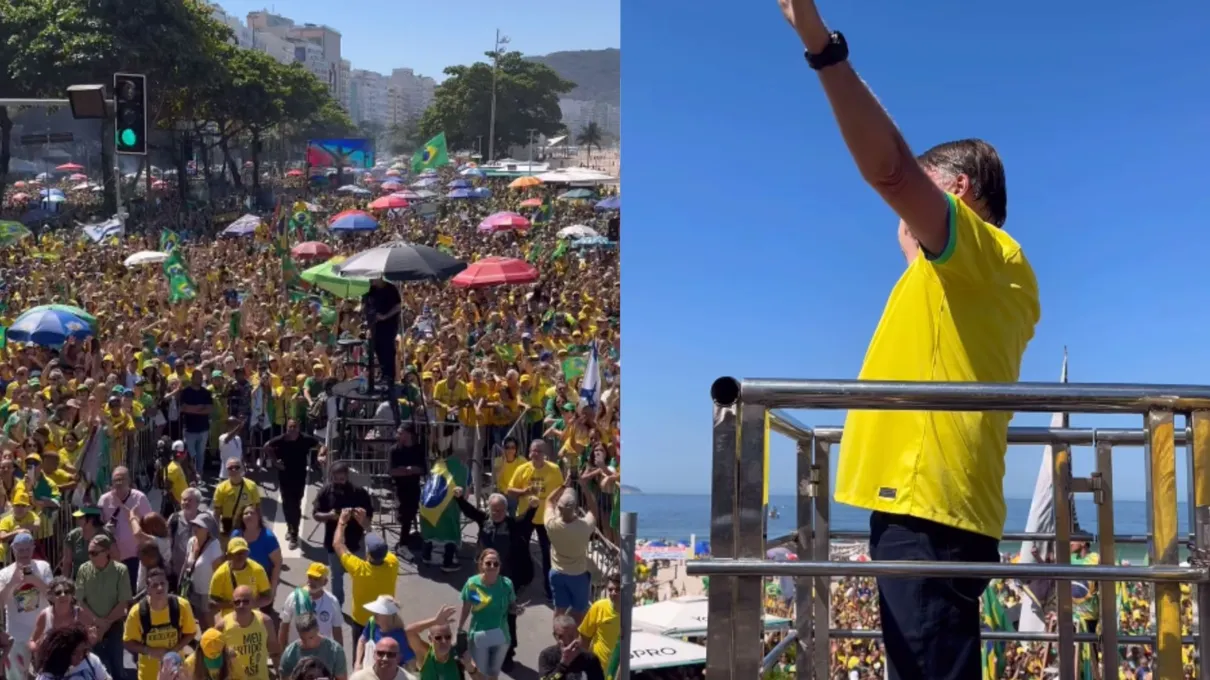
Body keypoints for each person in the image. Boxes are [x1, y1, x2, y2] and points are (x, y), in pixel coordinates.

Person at [775, 3, 1040, 679]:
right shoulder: (975, 279)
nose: (898, 220)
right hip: (943, 511)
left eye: (917, 205)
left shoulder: (985, 253)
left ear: (956, 191)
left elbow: (889, 169)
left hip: (928, 511)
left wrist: (820, 46)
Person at [452, 488, 535, 668]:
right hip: (482, 579)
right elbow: (470, 511)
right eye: (493, 509)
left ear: (506, 510)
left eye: (500, 510)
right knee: (482, 611)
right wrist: (459, 498)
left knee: (508, 617)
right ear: (489, 509)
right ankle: (482, 646)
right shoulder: (484, 521)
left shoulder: (512, 524)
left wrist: (533, 507)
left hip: (505, 580)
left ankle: (507, 654)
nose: (496, 513)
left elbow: (526, 520)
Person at [506, 439, 564, 602]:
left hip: (546, 517)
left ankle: (549, 589)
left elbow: (561, 490)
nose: (535, 454)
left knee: (547, 554)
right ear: (529, 452)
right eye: (533, 451)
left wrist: (557, 509)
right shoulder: (522, 469)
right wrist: (524, 491)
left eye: (539, 451)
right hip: (526, 516)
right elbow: (510, 490)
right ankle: (517, 584)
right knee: (519, 551)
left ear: (545, 453)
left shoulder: (554, 469)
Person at [312, 461, 373, 606]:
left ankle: (362, 603)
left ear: (347, 476)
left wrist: (362, 518)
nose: (339, 482)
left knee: (360, 576)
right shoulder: (325, 492)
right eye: (336, 479)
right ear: (331, 476)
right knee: (336, 576)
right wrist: (329, 515)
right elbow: (315, 514)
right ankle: (337, 605)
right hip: (334, 544)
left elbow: (369, 521)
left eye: (342, 479)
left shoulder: (359, 493)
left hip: (356, 543)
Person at [122, 567, 199, 680]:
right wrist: (149, 651)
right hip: (148, 675)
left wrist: (175, 649)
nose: (160, 588)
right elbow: (127, 642)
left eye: (163, 583)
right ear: (147, 589)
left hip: (176, 673)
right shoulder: (137, 612)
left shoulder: (182, 606)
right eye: (154, 585)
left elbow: (191, 632)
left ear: (168, 584)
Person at [334, 509, 399, 643]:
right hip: (386, 620)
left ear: (368, 554)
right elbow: (379, 546)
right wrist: (367, 525)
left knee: (360, 654)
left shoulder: (359, 568)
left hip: (362, 622)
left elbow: (338, 544)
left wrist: (341, 522)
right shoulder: (393, 563)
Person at [75, 534, 131, 680]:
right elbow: (80, 601)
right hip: (90, 625)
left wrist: (105, 625)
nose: (91, 556)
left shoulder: (121, 570)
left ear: (107, 552)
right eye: (89, 553)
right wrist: (96, 622)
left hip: (114, 624)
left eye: (94, 553)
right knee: (93, 666)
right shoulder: (83, 569)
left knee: (117, 665)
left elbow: (123, 604)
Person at [264, 419, 326, 550]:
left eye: (294, 427)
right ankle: (290, 527)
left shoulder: (305, 439)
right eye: (289, 427)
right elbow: (266, 446)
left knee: (296, 505)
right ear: (286, 427)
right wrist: (275, 462)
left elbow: (322, 445)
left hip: (299, 477)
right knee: (287, 505)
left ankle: (294, 534)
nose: (291, 429)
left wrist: (321, 454)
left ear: (298, 428)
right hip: (284, 476)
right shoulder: (282, 439)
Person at [0, 532, 55, 680]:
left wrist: (34, 580)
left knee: (47, 675)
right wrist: (12, 583)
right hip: (16, 636)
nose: (24, 553)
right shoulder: (4, 574)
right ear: (13, 550)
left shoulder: (43, 567)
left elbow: (53, 596)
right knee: (16, 677)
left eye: (27, 549)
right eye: (20, 549)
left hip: (43, 634)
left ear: (33, 549)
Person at [457, 549, 515, 680]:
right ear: (481, 564)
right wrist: (460, 628)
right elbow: (466, 608)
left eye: (496, 564)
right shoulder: (473, 584)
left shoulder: (506, 584)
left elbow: (512, 605)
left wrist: (516, 610)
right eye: (488, 563)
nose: (492, 567)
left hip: (501, 636)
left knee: (493, 674)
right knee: (481, 674)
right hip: (479, 635)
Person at [545, 483, 596, 623]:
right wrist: (585, 486)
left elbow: (549, 500)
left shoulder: (551, 525)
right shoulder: (584, 527)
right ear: (575, 508)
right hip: (577, 574)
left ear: (559, 508)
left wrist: (562, 485)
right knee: (579, 610)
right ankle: (573, 637)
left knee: (559, 609)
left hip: (557, 572)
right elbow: (593, 509)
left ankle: (559, 635)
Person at [98, 466, 153, 592]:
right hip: (112, 557)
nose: (119, 483)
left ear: (129, 481)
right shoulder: (104, 500)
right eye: (115, 480)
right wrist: (105, 529)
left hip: (135, 555)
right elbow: (98, 526)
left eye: (122, 479)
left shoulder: (140, 498)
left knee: (132, 591)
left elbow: (149, 524)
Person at [214, 585, 280, 680]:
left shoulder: (265, 622)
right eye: (237, 602)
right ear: (233, 604)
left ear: (253, 602)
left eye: (246, 601)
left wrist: (279, 674)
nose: (241, 605)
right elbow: (213, 656)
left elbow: (274, 652)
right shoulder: (222, 626)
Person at [229, 504, 282, 620]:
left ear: (258, 517)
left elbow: (277, 563)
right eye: (245, 513)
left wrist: (272, 589)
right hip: (241, 580)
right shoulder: (236, 535)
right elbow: (229, 558)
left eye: (252, 513)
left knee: (263, 616)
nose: (248, 515)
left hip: (263, 582)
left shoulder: (268, 538)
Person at [403, 606, 485, 680]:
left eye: (448, 637)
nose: (444, 641)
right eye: (438, 638)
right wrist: (434, 621)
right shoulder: (426, 654)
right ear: (430, 639)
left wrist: (471, 668)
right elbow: (408, 632)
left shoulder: (458, 655)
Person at [29, 577, 97, 660]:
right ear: (51, 597)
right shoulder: (45, 615)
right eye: (58, 593)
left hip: (76, 663)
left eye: (67, 592)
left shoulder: (79, 613)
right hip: (52, 662)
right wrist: (37, 648)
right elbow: (31, 642)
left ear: (72, 595)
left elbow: (92, 636)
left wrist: (91, 639)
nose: (63, 595)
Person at [279, 562, 344, 648]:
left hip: (321, 652)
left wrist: (339, 655)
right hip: (298, 650)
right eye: (310, 577)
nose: (312, 581)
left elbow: (337, 630)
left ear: (325, 582)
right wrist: (281, 651)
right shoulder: (295, 597)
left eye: (317, 579)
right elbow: (284, 625)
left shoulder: (332, 601)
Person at [208, 537, 272, 619]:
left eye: (244, 552)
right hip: (230, 620)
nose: (241, 556)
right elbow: (212, 603)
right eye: (237, 553)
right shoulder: (220, 574)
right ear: (229, 556)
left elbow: (267, 597)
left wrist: (250, 605)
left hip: (252, 618)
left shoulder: (258, 570)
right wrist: (235, 604)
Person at [386, 425, 426, 555]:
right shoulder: (394, 450)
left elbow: (422, 469)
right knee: (404, 514)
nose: (398, 436)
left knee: (411, 513)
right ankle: (403, 543)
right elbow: (392, 471)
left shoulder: (418, 449)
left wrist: (412, 470)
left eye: (400, 433)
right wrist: (408, 471)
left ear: (409, 434)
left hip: (414, 486)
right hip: (400, 487)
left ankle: (405, 541)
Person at [182, 512, 224, 629]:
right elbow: (187, 563)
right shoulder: (191, 541)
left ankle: (215, 642)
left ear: (207, 529)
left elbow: (218, 572)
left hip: (208, 592)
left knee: (209, 619)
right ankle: (205, 641)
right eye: (194, 525)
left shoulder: (215, 546)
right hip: (193, 587)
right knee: (199, 617)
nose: (195, 528)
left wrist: (216, 595)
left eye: (199, 526)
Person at [362, 278, 402, 397]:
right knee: (377, 351)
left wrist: (385, 316)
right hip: (374, 327)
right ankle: (383, 376)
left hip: (387, 327)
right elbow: (366, 306)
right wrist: (368, 324)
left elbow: (398, 306)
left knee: (387, 351)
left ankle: (389, 378)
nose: (370, 280)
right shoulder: (370, 290)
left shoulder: (391, 289)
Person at [353, 596, 415, 673]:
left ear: (387, 615)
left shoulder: (400, 636)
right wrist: (358, 663)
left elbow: (411, 661)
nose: (374, 614)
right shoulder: (372, 623)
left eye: (378, 612)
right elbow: (362, 641)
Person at [280, 613, 348, 680]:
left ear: (317, 629)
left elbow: (341, 678)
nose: (307, 642)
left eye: (311, 637)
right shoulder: (289, 654)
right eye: (303, 638)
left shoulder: (335, 651)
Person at [33, 623, 110, 680]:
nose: (80, 656)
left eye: (83, 651)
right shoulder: (47, 675)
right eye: (74, 653)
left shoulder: (91, 660)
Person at [537, 615, 604, 680]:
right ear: (555, 636)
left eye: (571, 636)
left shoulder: (590, 659)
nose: (567, 641)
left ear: (577, 635)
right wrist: (563, 664)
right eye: (561, 636)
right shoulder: (547, 656)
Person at [578, 575, 621, 676]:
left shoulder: (633, 613)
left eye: (618, 589)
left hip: (618, 673)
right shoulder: (598, 607)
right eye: (610, 589)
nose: (613, 593)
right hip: (597, 670)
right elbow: (584, 637)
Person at [212, 458, 261, 540]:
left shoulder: (252, 486)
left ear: (242, 469)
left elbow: (258, 508)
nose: (233, 470)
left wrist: (259, 527)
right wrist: (215, 531)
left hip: (246, 525)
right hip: (228, 526)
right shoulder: (221, 488)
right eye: (230, 468)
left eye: (236, 467)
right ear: (226, 470)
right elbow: (216, 513)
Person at [61, 506, 113, 580]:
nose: (77, 520)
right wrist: (64, 582)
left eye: (80, 518)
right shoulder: (72, 536)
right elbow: (67, 562)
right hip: (80, 582)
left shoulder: (106, 535)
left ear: (90, 520)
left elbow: (115, 558)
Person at [180, 371, 213, 474]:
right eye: (197, 377)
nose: (199, 379)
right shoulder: (185, 392)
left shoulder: (206, 393)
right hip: (189, 429)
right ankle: (191, 475)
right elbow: (183, 408)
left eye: (200, 377)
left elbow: (209, 409)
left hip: (203, 428)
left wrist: (192, 409)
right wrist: (199, 408)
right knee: (190, 454)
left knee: (200, 454)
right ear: (192, 378)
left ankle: (199, 474)